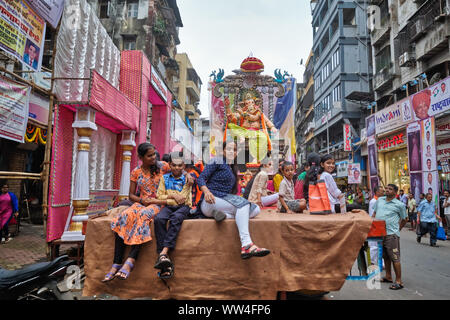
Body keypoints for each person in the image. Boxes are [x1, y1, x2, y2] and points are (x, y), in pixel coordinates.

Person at [103, 143, 171, 282]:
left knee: (143, 216)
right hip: (142, 202)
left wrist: (187, 176)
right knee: (124, 217)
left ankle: (130, 261)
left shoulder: (163, 167)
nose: (153, 158)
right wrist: (141, 200)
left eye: (154, 154)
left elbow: (179, 171)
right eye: (149, 155)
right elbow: (131, 195)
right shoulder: (136, 172)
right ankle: (116, 263)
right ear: (141, 157)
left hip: (159, 204)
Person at [197, 140, 270, 259]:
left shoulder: (232, 167)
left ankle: (224, 215)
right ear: (223, 150)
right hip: (211, 200)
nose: (232, 151)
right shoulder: (217, 160)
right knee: (243, 205)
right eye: (229, 149)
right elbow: (201, 178)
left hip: (222, 203)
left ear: (237, 152)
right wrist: (206, 192)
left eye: (234, 149)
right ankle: (247, 245)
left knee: (255, 209)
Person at [153, 154, 193, 279]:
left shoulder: (188, 179)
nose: (176, 168)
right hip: (169, 206)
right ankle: (164, 258)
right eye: (174, 165)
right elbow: (159, 196)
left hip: (184, 207)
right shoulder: (164, 178)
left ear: (184, 166)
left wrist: (170, 196)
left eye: (179, 165)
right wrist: (173, 196)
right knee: (159, 219)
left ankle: (163, 252)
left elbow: (183, 199)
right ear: (169, 165)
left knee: (175, 219)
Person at [373, 184, 408, 290]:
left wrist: (398, 230)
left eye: (390, 189)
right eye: (386, 189)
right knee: (385, 256)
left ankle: (399, 281)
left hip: (391, 234)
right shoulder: (380, 200)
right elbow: (374, 213)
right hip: (380, 233)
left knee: (395, 258)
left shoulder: (399, 205)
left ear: (395, 192)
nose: (387, 190)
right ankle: (388, 276)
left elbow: (404, 219)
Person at [368, 186, 384, 267]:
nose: (383, 193)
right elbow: (373, 215)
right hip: (375, 224)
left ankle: (382, 262)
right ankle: (373, 262)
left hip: (380, 224)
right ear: (377, 192)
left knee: (381, 244)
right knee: (374, 245)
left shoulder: (380, 201)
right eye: (382, 192)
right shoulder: (373, 201)